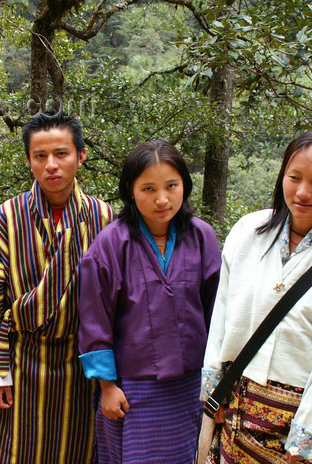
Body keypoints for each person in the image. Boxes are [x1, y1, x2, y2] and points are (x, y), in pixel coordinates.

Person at [199, 130, 312, 464]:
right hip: (231, 412)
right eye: (294, 178)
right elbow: (221, 316)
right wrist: (214, 390)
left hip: (291, 427)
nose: (302, 192)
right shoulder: (248, 233)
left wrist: (305, 445)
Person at [0, 110, 115, 463]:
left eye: (61, 154)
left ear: (80, 157)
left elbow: (113, 302)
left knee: (78, 450)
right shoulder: (6, 217)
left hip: (78, 364)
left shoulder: (102, 217)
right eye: (41, 156)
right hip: (23, 361)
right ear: (29, 161)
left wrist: (110, 374)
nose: (52, 165)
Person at [78, 140, 221, 463]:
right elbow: (94, 318)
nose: (161, 199)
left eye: (172, 186)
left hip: (189, 386)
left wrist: (217, 380)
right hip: (129, 387)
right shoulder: (110, 243)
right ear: (130, 190)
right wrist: (107, 387)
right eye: (148, 188)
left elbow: (217, 311)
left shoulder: (202, 237)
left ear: (185, 184)